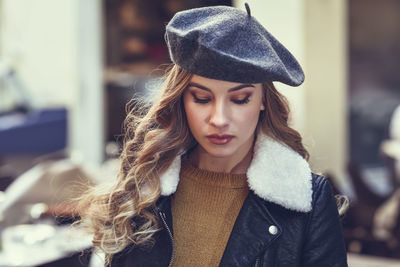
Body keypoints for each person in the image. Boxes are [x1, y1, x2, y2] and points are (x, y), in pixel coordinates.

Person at [78, 3, 348, 267]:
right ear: (181, 100)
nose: (219, 119)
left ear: (263, 101)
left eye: (240, 99)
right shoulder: (144, 186)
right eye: (202, 98)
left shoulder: (308, 202)